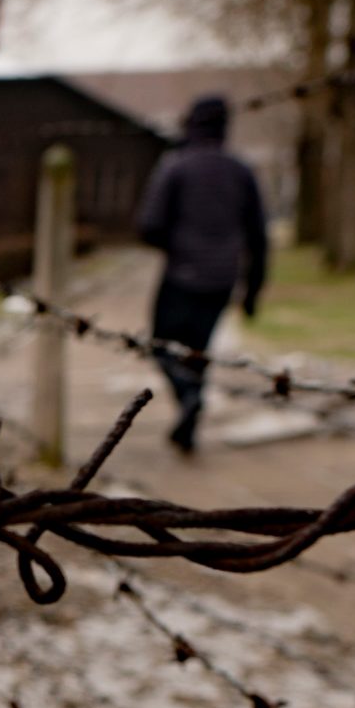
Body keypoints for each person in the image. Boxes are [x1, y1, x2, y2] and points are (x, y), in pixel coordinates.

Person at [134, 95, 268, 454]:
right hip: (223, 277)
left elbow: (149, 225)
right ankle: (189, 423)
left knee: (161, 345)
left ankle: (188, 396)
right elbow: (259, 237)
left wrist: (178, 246)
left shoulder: (177, 165)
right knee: (199, 353)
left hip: (181, 274)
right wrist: (253, 290)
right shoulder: (241, 171)